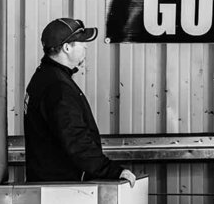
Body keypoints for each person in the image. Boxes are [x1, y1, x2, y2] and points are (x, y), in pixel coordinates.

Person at [24, 18, 136, 185]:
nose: (86, 46)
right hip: (62, 190)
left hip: (49, 184)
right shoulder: (58, 87)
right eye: (81, 42)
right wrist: (112, 171)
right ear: (67, 48)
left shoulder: (44, 76)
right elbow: (76, 140)